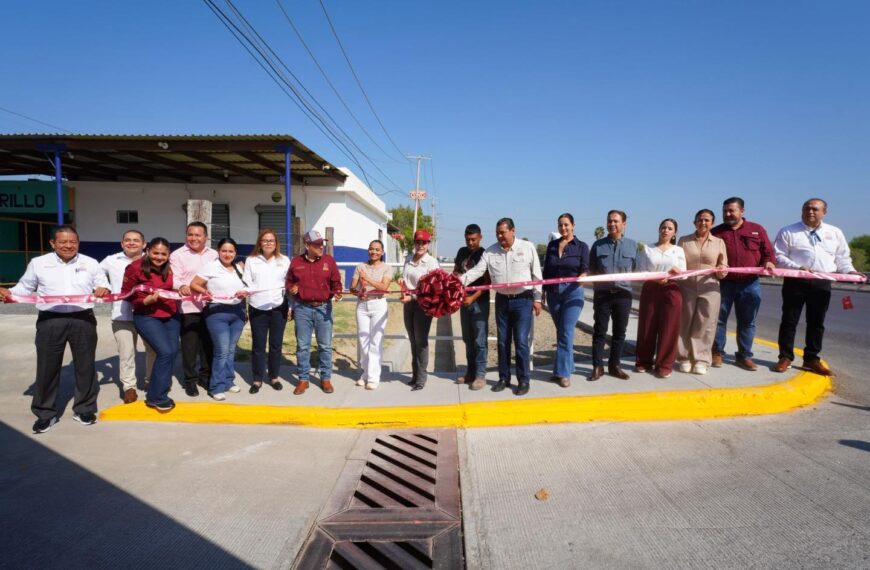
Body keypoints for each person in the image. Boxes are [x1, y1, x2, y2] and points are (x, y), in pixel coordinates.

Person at [0, 225, 109, 433]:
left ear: (78, 243)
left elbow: (102, 285)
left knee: (86, 367)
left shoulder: (90, 262)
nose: (68, 246)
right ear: (53, 243)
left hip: (83, 319)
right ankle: (45, 413)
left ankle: (84, 409)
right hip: (51, 320)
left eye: (73, 242)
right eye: (63, 242)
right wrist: (10, 293)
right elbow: (25, 287)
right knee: (47, 368)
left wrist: (103, 289)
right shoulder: (39, 263)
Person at [772, 198, 861, 376]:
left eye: (815, 209)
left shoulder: (834, 232)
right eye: (806, 208)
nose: (810, 212)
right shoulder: (788, 231)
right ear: (801, 211)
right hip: (796, 280)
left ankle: (811, 359)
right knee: (789, 320)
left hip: (822, 283)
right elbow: (779, 256)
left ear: (824, 212)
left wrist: (850, 272)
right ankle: (785, 357)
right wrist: (798, 268)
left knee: (816, 323)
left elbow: (842, 257)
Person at [461, 218, 543, 396]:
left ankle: (523, 380)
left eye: (503, 232)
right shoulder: (490, 252)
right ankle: (504, 378)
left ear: (513, 231)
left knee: (521, 341)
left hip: (523, 300)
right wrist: (455, 283)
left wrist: (537, 299)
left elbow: (537, 275)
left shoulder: (527, 248)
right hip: (502, 301)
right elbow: (476, 272)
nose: (499, 236)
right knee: (502, 341)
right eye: (497, 233)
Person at [711, 197, 775, 371]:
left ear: (742, 211)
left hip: (750, 284)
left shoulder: (757, 230)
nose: (728, 214)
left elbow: (767, 252)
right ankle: (717, 352)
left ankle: (744, 356)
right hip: (724, 283)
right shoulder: (716, 232)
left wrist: (769, 262)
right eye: (725, 211)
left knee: (748, 322)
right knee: (718, 320)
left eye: (732, 210)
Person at [123, 237, 181, 412]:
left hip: (170, 314)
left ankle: (158, 392)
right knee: (165, 352)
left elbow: (176, 286)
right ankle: (156, 397)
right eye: (156, 253)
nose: (159, 257)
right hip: (147, 315)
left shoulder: (170, 268)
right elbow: (125, 294)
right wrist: (144, 301)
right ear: (148, 251)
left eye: (164, 254)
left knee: (172, 353)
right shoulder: (134, 267)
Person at [100, 229, 156, 404]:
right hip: (122, 315)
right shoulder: (111, 261)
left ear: (144, 244)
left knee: (153, 350)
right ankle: (129, 387)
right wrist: (103, 285)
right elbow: (95, 274)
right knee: (126, 353)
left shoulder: (153, 259)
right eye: (128, 240)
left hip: (149, 314)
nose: (132, 243)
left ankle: (150, 381)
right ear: (122, 243)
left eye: (136, 240)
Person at [191, 238, 249, 401]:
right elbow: (194, 284)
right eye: (224, 250)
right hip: (217, 312)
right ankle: (215, 386)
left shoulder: (239, 268)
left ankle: (228, 381)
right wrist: (205, 292)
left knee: (231, 350)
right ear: (218, 251)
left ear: (235, 253)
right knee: (222, 351)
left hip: (237, 312)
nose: (227, 254)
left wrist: (244, 292)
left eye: (231, 251)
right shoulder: (211, 266)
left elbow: (246, 287)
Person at [286, 229, 343, 395]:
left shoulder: (329, 261)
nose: (321, 247)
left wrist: (338, 292)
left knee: (325, 346)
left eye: (322, 243)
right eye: (317, 244)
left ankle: (325, 378)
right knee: (302, 346)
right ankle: (303, 379)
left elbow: (336, 283)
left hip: (323, 308)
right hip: (302, 308)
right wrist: (292, 288)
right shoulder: (296, 262)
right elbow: (289, 282)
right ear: (307, 245)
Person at [588, 210, 640, 381]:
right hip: (603, 295)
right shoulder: (598, 245)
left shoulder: (633, 246)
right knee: (599, 331)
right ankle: (597, 366)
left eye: (616, 221)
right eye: (609, 221)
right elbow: (592, 270)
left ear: (624, 223)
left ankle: (614, 365)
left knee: (619, 332)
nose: (612, 224)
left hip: (623, 296)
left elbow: (637, 271)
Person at [676, 209, 729, 375]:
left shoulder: (719, 242)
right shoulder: (684, 241)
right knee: (685, 322)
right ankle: (684, 357)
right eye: (700, 220)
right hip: (687, 286)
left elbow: (724, 265)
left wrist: (722, 270)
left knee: (705, 324)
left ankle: (701, 359)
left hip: (710, 287)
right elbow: (676, 260)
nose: (703, 223)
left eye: (707, 220)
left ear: (712, 223)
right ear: (694, 222)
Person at [170, 221, 218, 396]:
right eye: (190, 234)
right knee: (190, 346)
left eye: (198, 235)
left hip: (211, 306)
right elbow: (174, 278)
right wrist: (181, 285)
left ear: (205, 237)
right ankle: (190, 380)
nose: (194, 238)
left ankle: (205, 377)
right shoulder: (177, 255)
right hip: (188, 307)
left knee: (208, 343)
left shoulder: (214, 254)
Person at [635, 219, 687, 378]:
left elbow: (684, 274)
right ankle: (643, 361)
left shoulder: (678, 250)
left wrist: (676, 272)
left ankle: (664, 364)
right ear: (659, 229)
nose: (665, 230)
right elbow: (640, 270)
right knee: (647, 325)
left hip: (671, 290)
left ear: (674, 233)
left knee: (669, 328)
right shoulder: (648, 249)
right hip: (651, 289)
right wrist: (655, 278)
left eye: (669, 228)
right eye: (663, 227)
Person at [542, 213, 589, 388]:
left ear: (573, 226)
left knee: (566, 331)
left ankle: (563, 373)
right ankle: (567, 366)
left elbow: (585, 267)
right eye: (560, 225)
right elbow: (547, 270)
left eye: (566, 225)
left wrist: (583, 275)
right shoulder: (552, 246)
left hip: (573, 292)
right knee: (561, 331)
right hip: (554, 293)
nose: (563, 228)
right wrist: (544, 292)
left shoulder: (582, 246)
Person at [243, 229, 290, 394]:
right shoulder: (251, 260)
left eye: (271, 240)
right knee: (258, 345)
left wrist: (289, 306)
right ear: (260, 243)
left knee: (276, 345)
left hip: (279, 307)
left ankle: (274, 376)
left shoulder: (284, 260)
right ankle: (257, 379)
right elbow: (247, 283)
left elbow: (289, 284)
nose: (268, 243)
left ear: (276, 243)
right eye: (265, 240)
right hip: (258, 307)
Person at [399, 230, 441, 391]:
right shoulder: (408, 259)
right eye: (418, 242)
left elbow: (432, 289)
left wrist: (413, 297)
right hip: (408, 304)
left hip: (423, 305)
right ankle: (415, 375)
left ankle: (421, 378)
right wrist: (402, 281)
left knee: (421, 342)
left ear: (428, 244)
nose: (420, 245)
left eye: (424, 242)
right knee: (412, 340)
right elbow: (406, 278)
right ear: (414, 243)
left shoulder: (432, 263)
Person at [350, 240, 393, 390]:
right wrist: (357, 292)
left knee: (376, 340)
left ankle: (373, 377)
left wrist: (367, 278)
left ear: (382, 252)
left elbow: (384, 287)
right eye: (371, 249)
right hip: (362, 305)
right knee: (363, 340)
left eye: (377, 250)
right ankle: (366, 374)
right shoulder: (360, 266)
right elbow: (352, 287)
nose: (373, 252)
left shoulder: (387, 268)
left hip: (378, 305)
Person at [453, 224, 490, 391]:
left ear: (480, 237)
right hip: (463, 301)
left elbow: (488, 282)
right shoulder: (461, 252)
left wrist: (472, 297)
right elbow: (456, 272)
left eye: (474, 239)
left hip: (479, 302)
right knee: (467, 339)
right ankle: (470, 372)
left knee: (479, 340)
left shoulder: (485, 254)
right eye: (468, 239)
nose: (470, 242)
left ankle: (480, 375)